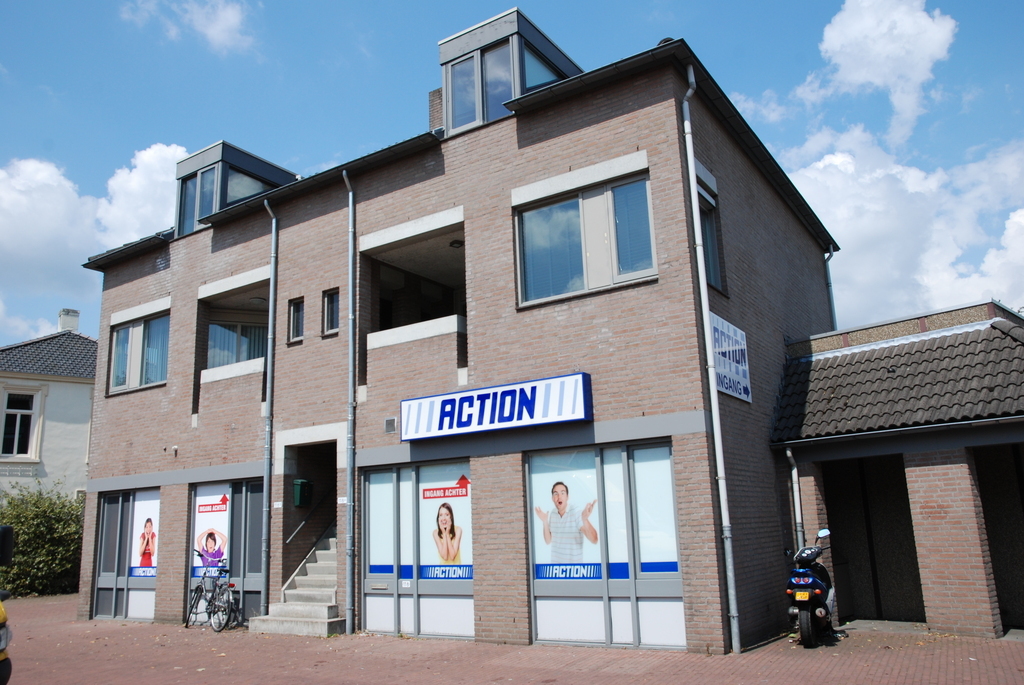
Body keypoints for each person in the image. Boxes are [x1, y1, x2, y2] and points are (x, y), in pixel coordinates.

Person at [534, 481, 598, 563]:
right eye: (556, 494)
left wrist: (584, 519)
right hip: (556, 568)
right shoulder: (553, 513)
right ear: (552, 498)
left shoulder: (575, 512)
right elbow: (548, 541)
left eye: (562, 493)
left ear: (567, 497)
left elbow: (594, 540)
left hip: (573, 568)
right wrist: (545, 521)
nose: (559, 497)